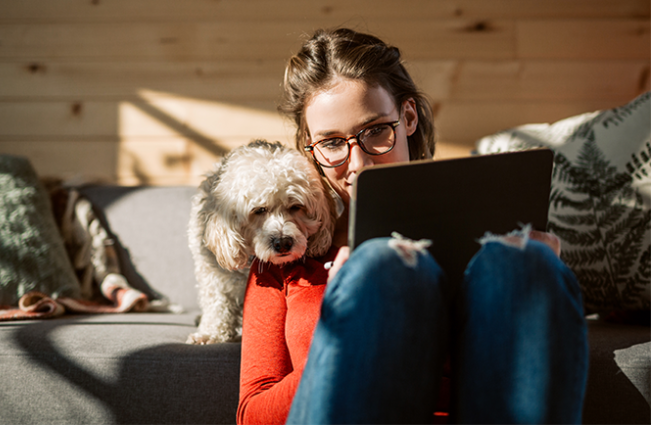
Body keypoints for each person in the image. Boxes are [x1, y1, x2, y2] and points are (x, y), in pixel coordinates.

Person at [237, 28, 588, 424]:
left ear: (407, 117)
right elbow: (252, 414)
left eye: (374, 132)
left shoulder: (487, 245)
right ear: (310, 148)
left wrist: (538, 281)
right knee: (384, 268)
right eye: (332, 143)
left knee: (525, 265)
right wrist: (345, 328)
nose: (359, 164)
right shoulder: (284, 260)